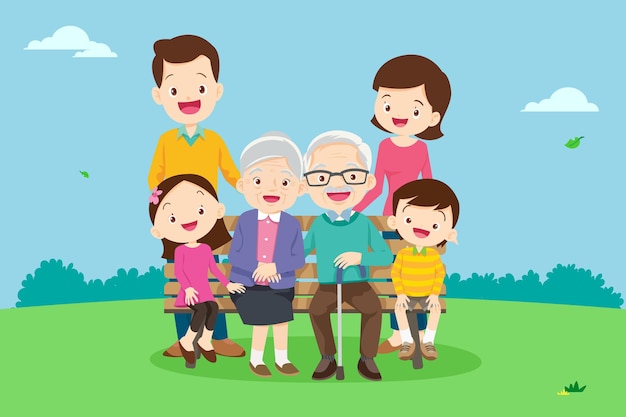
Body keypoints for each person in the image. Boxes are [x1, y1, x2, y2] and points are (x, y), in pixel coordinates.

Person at [148, 34, 244, 358]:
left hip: (208, 219)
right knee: (181, 279)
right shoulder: (166, 141)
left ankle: (217, 336)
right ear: (159, 95)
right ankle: (182, 337)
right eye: (175, 89)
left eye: (200, 87)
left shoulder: (214, 140)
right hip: (178, 220)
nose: (188, 96)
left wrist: (243, 185)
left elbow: (231, 172)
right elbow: (154, 178)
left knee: (213, 274)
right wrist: (159, 205)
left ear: (216, 90)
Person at [352, 55, 452, 356]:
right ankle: (399, 334)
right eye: (388, 102)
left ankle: (419, 333)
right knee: (390, 277)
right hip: (390, 220)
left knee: (417, 276)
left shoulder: (421, 148)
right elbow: (378, 184)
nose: (399, 114)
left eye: (413, 107)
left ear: (432, 117)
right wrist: (356, 208)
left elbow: (429, 185)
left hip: (418, 222)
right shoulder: (384, 147)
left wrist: (439, 219)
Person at [303, 130, 393, 381]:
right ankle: (328, 357)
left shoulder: (363, 223)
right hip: (328, 284)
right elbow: (301, 252)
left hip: (357, 284)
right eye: (322, 176)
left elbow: (385, 257)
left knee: (374, 309)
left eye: (351, 175)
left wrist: (360, 257)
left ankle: (367, 358)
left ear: (368, 182)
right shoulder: (319, 224)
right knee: (317, 310)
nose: (337, 184)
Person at [228, 132, 306, 378]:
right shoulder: (246, 220)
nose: (271, 189)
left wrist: (274, 267)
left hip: (280, 283)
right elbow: (234, 255)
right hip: (247, 285)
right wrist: (257, 267)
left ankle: (282, 359)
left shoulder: (291, 224)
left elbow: (298, 258)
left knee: (281, 320)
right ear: (243, 186)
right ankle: (257, 359)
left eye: (284, 182)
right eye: (258, 181)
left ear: (298, 188)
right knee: (262, 320)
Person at [148, 174, 246, 368]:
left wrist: (228, 284)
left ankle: (204, 340)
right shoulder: (180, 251)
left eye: (200, 210)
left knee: (213, 307)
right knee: (202, 309)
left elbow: (215, 270)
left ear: (218, 211)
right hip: (189, 294)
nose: (188, 219)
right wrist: (188, 288)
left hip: (205, 292)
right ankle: (187, 340)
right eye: (173, 217)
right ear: (158, 230)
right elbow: (179, 273)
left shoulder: (205, 249)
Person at [386, 179, 459, 360]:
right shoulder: (403, 253)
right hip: (407, 295)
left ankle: (428, 341)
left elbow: (439, 274)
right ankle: (406, 341)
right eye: (409, 220)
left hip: (427, 295)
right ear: (395, 221)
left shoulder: (433, 256)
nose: (422, 228)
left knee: (435, 310)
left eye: (435, 226)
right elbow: (395, 273)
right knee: (399, 309)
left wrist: (434, 295)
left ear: (449, 232)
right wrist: (401, 294)